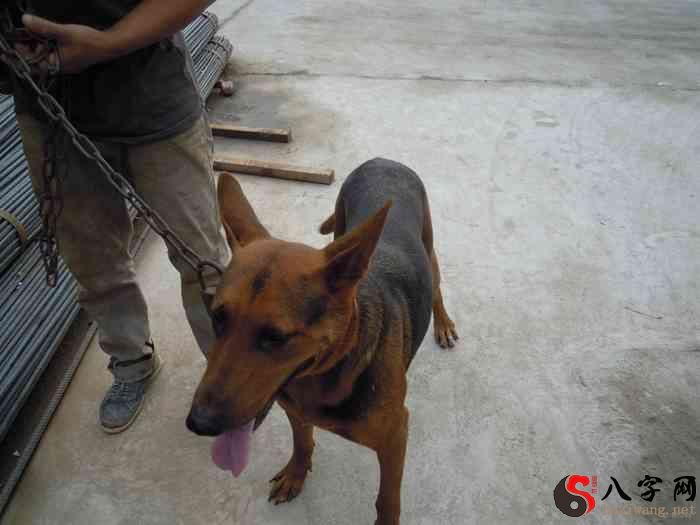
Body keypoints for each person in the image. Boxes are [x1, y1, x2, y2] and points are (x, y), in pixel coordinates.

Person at [7, 1, 228, 433]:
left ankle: (228, 376)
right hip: (47, 108)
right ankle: (132, 362)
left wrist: (110, 42)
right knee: (94, 263)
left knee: (204, 262)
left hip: (151, 95)